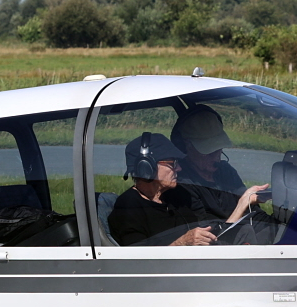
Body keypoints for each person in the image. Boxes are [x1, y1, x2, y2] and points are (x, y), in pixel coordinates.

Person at [107, 133, 268, 247]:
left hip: (196, 269)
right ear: (146, 169)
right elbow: (136, 261)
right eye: (172, 164)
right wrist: (182, 242)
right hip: (168, 284)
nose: (179, 168)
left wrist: (243, 203)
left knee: (246, 231)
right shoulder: (128, 206)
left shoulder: (176, 196)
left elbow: (211, 235)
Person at [170, 105, 246, 194]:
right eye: (208, 151)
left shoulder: (226, 171)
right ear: (186, 146)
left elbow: (250, 205)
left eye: (218, 148)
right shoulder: (181, 180)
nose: (215, 156)